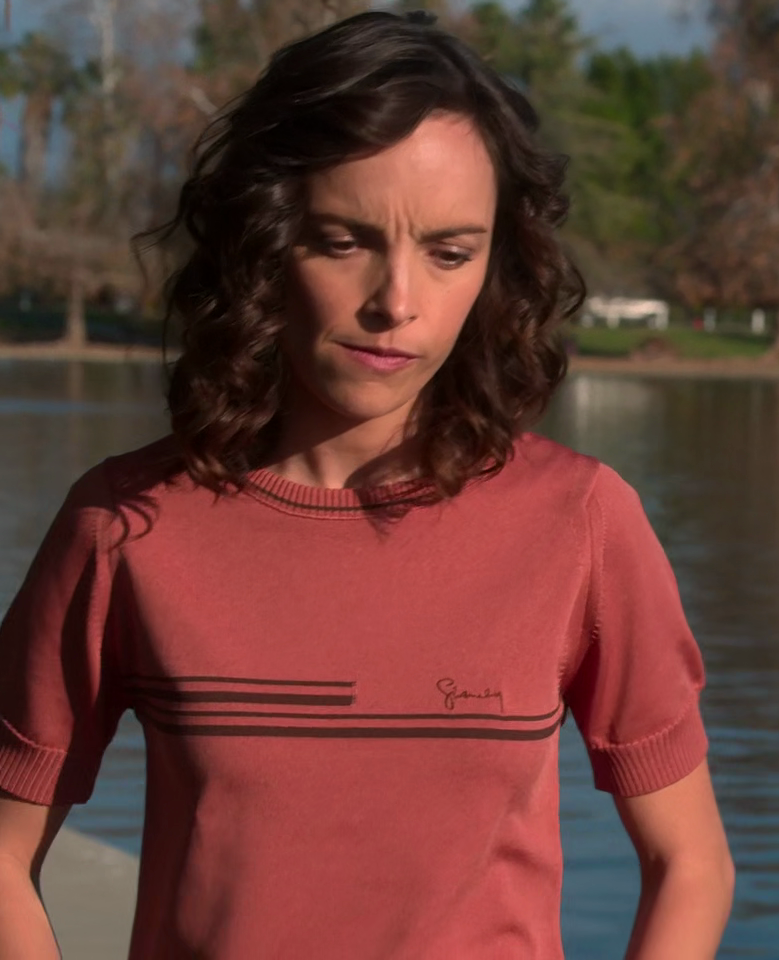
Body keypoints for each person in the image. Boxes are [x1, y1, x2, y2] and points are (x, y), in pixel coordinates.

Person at [0, 12, 733, 958]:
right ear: (264, 242)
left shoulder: (580, 524)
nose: (397, 302)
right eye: (343, 241)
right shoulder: (127, 528)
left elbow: (689, 864)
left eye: (449, 252)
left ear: (496, 267)